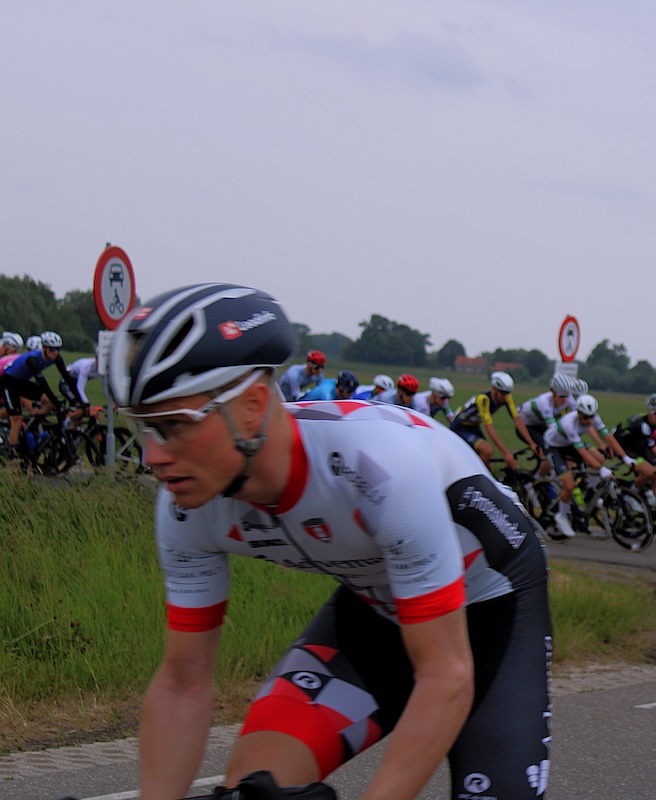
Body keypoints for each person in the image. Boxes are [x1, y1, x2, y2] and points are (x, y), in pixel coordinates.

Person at [109, 283, 552, 800]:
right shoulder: (186, 504)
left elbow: (446, 676)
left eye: (173, 426)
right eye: (144, 428)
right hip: (377, 607)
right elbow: (183, 682)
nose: (153, 456)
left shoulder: (378, 467)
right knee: (256, 790)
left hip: (492, 604)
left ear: (252, 405)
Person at [541, 393, 633, 538]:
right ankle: (561, 516)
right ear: (578, 413)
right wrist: (601, 469)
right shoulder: (568, 423)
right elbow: (582, 452)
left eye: (591, 417)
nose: (589, 420)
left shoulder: (593, 418)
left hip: (569, 443)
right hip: (554, 447)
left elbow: (608, 436)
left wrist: (626, 458)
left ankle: (592, 491)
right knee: (569, 485)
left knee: (599, 458)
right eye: (585, 417)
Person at [3, 330, 80, 454]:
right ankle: (13, 454)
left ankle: (33, 425)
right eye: (52, 349)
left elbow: (67, 378)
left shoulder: (56, 357)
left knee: (50, 403)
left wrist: (79, 400)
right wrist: (56, 400)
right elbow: (42, 382)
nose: (55, 352)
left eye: (58, 349)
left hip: (22, 382)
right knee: (16, 419)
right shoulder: (33, 359)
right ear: (44, 348)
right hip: (9, 382)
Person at [450, 371, 534, 471]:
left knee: (488, 466)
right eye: (503, 393)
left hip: (474, 426)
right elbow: (489, 427)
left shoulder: (507, 398)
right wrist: (505, 453)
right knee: (487, 451)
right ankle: (469, 475)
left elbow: (517, 419)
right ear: (494, 389)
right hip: (460, 427)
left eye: (508, 393)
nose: (505, 396)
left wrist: (532, 443)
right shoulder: (483, 399)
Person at [612, 393, 656, 499]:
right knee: (650, 472)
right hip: (626, 447)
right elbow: (654, 448)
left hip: (639, 445)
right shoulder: (642, 425)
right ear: (649, 412)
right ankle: (631, 495)